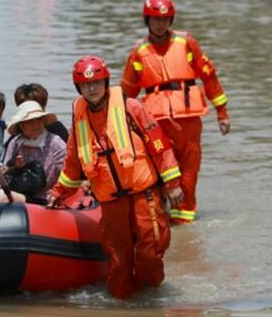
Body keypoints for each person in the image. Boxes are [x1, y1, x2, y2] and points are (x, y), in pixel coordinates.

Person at [47, 55, 184, 300]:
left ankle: (152, 302)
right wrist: (58, 192)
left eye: (96, 83)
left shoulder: (131, 108)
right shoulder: (80, 119)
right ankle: (120, 314)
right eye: (86, 85)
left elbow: (159, 143)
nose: (91, 88)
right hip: (111, 202)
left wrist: (172, 184)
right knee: (118, 260)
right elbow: (72, 163)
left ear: (106, 82)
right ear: (79, 88)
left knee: (150, 252)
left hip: (144, 193)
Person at [121, 0, 231, 224]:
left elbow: (208, 76)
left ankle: (184, 228)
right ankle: (159, 221)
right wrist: (118, 123)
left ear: (170, 20)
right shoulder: (138, 51)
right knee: (158, 174)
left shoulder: (186, 42)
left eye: (165, 19)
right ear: (147, 20)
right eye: (155, 19)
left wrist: (222, 112)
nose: (160, 23)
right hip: (156, 123)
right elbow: (127, 92)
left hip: (188, 121)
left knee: (189, 175)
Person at [0, 100, 66, 204]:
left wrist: (58, 192)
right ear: (21, 125)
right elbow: (4, 172)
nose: (36, 124)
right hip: (17, 189)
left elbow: (68, 171)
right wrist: (15, 167)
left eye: (39, 119)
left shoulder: (55, 143)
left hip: (42, 198)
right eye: (30, 121)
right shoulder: (16, 142)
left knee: (1, 197)